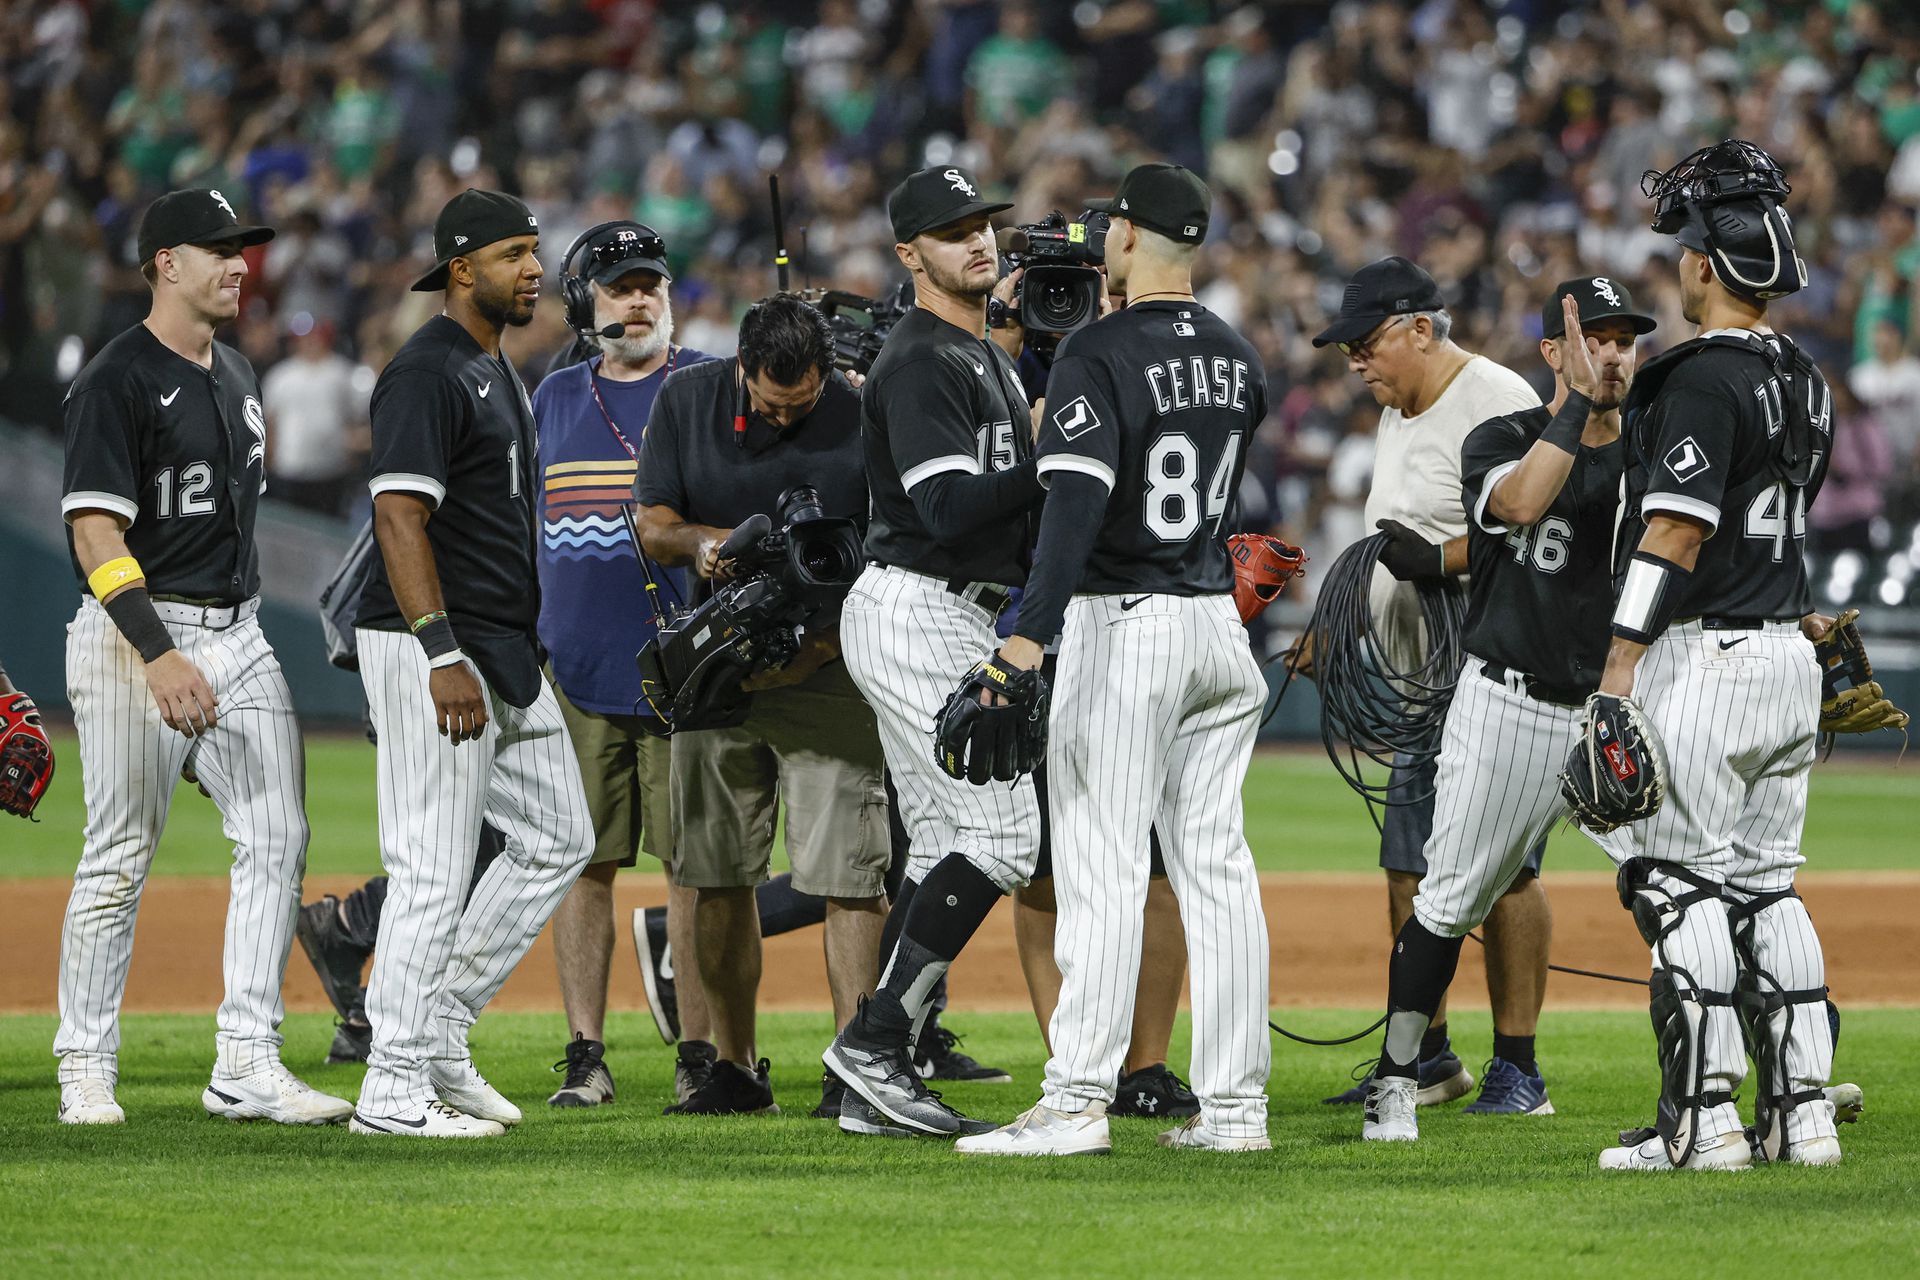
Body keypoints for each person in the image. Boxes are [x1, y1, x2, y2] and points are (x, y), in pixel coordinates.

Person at [955, 163, 1271, 1155]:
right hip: (1216, 622)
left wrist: (1021, 641)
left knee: (1100, 864)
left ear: (1128, 237)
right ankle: (1236, 1110)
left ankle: (1077, 1098)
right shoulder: (1237, 351)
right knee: (1218, 869)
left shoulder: (1095, 349)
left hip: (1124, 625)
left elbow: (1075, 512)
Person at [54, 188, 350, 1127]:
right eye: (216, 247)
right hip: (136, 636)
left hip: (239, 630)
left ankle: (247, 1062)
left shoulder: (236, 374)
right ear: (162, 264)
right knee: (120, 854)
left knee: (277, 836)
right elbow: (95, 532)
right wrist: (155, 650)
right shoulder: (118, 378)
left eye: (243, 247)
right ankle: (84, 1065)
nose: (238, 262)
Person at [1594, 140, 1840, 1172]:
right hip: (1788, 654)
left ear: (1705, 267)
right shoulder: (1807, 377)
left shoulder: (1700, 380)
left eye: (1684, 253)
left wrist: (1617, 668)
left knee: (1676, 882)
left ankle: (1705, 1123)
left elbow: (1677, 535)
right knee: (1766, 889)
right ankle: (1807, 1117)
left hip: (1712, 659)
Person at [1360, 279, 1652, 1142]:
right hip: (1510, 707)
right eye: (1590, 338)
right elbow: (1521, 504)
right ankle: (1396, 1078)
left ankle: (1758, 1081)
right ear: (1553, 353)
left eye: (1624, 339)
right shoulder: (1504, 434)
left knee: (1689, 887)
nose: (1612, 353)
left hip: (1617, 708)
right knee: (1447, 900)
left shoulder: (1655, 446)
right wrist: (1575, 408)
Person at [349, 188, 593, 1139]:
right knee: (430, 868)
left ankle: (439, 1028)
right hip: (434, 645)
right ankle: (391, 1088)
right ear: (461, 270)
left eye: (534, 251)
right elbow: (398, 518)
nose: (534, 268)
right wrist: (439, 648)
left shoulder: (495, 369)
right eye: (512, 255)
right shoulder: (428, 372)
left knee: (558, 836)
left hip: (497, 646)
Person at [822, 164, 1043, 1140]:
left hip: (950, 608)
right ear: (910, 255)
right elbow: (948, 507)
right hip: (921, 605)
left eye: (985, 224)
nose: (980, 242)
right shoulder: (921, 357)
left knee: (952, 836)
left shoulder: (986, 351)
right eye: (955, 231)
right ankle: (875, 1040)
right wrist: (1055, 456)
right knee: (1006, 838)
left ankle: (876, 1072)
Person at [1307, 255, 1555, 1114]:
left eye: (1366, 343)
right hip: (1419, 686)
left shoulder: (1495, 399)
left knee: (1507, 873)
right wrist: (1339, 625)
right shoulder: (1399, 408)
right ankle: (1427, 1057)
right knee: (1409, 868)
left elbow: (1547, 535)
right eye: (1347, 350)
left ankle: (1518, 1065)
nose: (1356, 362)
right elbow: (1389, 543)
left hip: (1497, 678)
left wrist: (1445, 558)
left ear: (1421, 327)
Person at [635, 292, 886, 1117]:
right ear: (741, 369)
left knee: (851, 874)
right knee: (713, 873)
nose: (788, 417)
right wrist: (706, 547)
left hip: (829, 669)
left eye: (805, 402)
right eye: (774, 404)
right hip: (718, 671)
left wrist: (816, 648)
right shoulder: (685, 398)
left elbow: (887, 559)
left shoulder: (862, 412)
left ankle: (857, 1070)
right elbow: (651, 523)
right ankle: (735, 1068)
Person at [530, 220, 718, 1107]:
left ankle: (697, 1053)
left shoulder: (713, 385)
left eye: (651, 283)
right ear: (585, 305)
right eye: (618, 287)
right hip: (576, 671)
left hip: (688, 674)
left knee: (692, 866)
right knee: (584, 863)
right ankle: (584, 1052)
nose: (638, 299)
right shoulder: (553, 397)